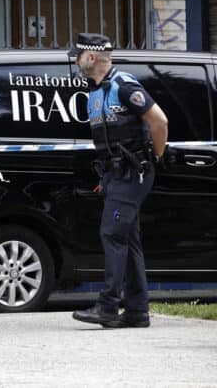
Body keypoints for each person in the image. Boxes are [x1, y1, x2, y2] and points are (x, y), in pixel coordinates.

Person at [69, 33, 168, 329]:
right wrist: (106, 177)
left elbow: (159, 121)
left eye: (78, 55)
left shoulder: (124, 86)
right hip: (115, 176)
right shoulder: (96, 92)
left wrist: (156, 158)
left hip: (133, 172)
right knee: (128, 239)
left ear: (91, 57)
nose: (75, 61)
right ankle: (138, 311)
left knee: (111, 233)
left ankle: (108, 305)